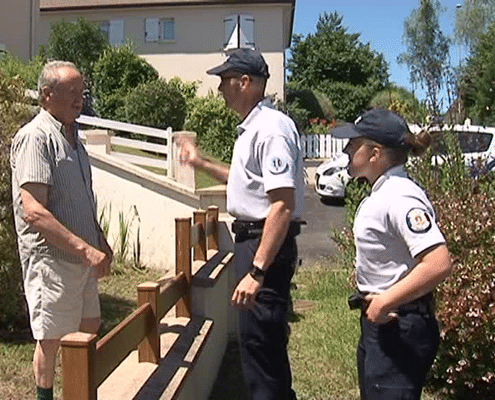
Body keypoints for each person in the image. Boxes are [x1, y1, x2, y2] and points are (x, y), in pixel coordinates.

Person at [178, 48, 304, 400]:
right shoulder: (255, 128)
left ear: (245, 82)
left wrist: (257, 271)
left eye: (224, 81)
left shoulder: (270, 130)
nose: (220, 90)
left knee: (261, 352)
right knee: (261, 347)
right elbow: (244, 180)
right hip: (256, 242)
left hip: (263, 245)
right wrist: (200, 162)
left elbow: (281, 204)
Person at [332, 109, 453, 400]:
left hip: (398, 325)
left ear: (375, 153)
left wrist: (384, 300)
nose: (346, 149)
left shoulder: (399, 196)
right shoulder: (384, 192)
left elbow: (438, 263)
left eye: (353, 143)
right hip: (386, 323)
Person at [10, 61, 113, 400]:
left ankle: (77, 392)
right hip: (51, 261)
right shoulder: (35, 137)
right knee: (51, 340)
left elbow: (83, 198)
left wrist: (100, 240)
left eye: (81, 92)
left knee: (88, 327)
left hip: (81, 261)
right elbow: (34, 211)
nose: (78, 98)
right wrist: (84, 249)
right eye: (71, 92)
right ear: (46, 95)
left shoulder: (75, 140)